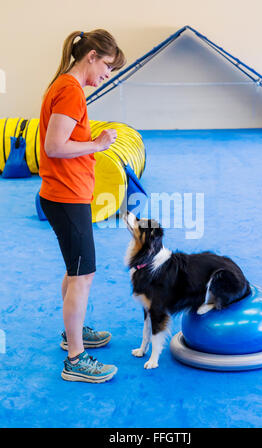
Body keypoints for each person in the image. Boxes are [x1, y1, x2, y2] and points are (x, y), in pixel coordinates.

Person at [39, 29, 126, 383]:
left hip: (66, 194)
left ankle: (70, 334)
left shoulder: (63, 85)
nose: (106, 74)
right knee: (83, 275)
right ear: (91, 56)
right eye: (106, 66)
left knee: (76, 272)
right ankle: (75, 359)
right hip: (66, 196)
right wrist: (98, 144)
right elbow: (54, 146)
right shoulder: (70, 90)